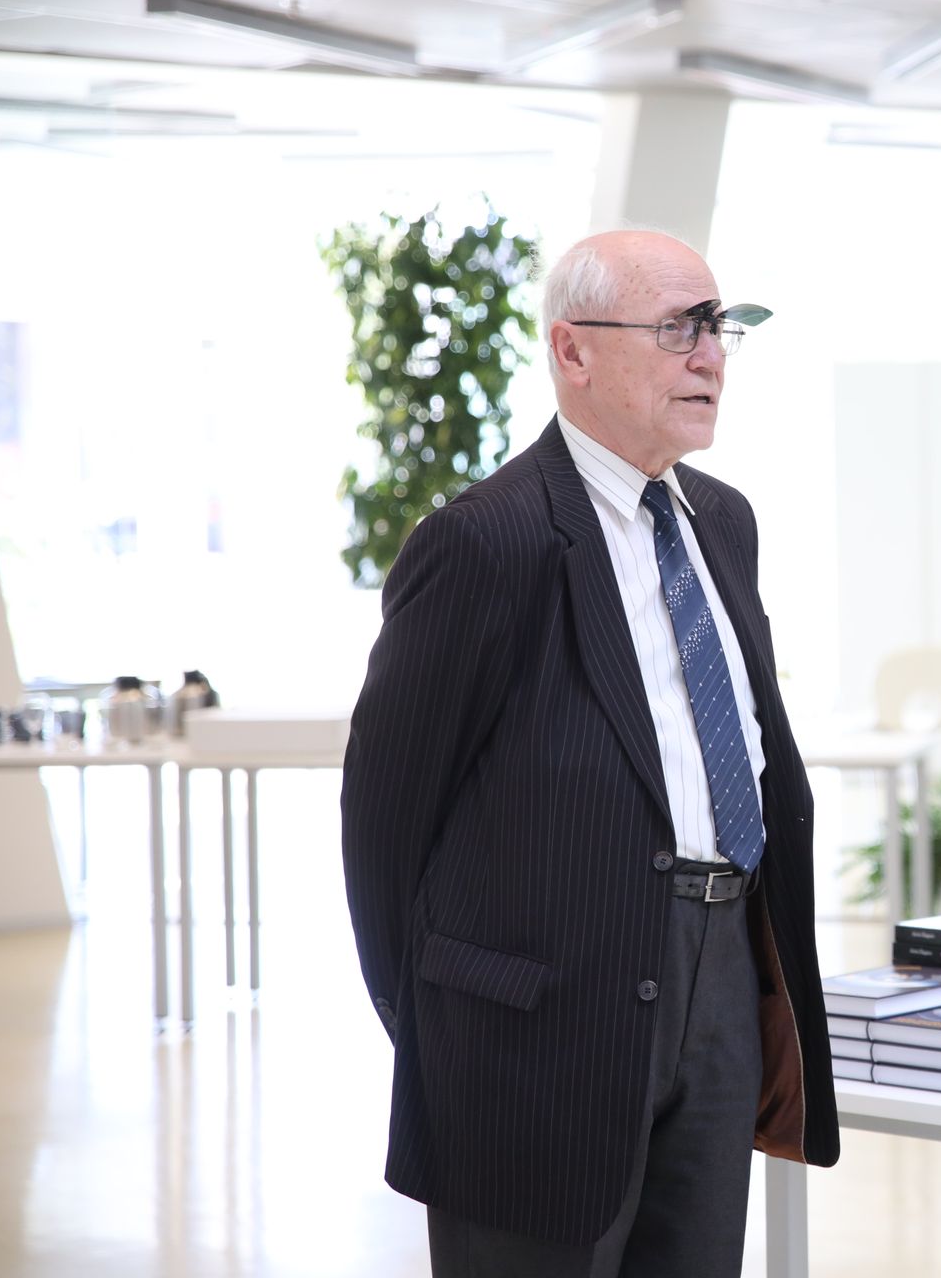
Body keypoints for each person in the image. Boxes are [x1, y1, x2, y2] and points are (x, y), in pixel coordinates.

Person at [340, 229, 838, 1277]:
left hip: (721, 973)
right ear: (573, 350)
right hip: (535, 1026)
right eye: (680, 329)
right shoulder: (486, 541)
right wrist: (443, 1027)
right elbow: (385, 823)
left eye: (722, 328)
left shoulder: (723, 521)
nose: (711, 356)